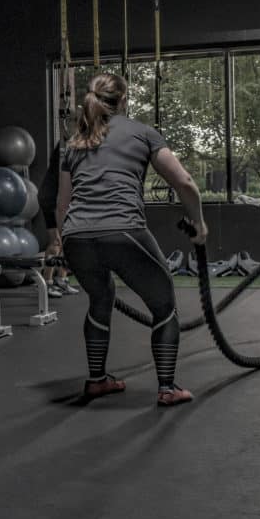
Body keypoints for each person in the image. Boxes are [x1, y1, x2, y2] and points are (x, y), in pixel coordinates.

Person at [55, 73, 207, 407]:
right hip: (122, 230)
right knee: (164, 305)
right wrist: (198, 222)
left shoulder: (75, 141)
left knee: (100, 297)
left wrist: (65, 245)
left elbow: (62, 206)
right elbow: (184, 181)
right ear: (124, 100)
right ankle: (167, 388)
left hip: (77, 235)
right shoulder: (143, 132)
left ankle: (97, 381)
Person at [37, 141, 80, 298]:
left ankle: (61, 279)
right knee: (57, 242)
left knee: (67, 239)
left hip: (59, 198)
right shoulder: (66, 149)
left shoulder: (73, 150)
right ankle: (46, 283)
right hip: (52, 199)